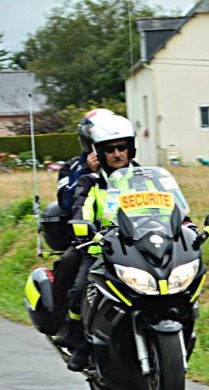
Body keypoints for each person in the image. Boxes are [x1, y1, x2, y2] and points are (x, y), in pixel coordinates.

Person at [62, 112, 141, 371]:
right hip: (100, 250)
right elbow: (78, 207)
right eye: (110, 149)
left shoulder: (145, 177)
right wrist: (83, 228)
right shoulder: (89, 179)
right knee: (78, 292)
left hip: (141, 248)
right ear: (99, 151)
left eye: (122, 147)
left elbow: (169, 204)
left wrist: (184, 224)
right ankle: (80, 344)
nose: (117, 153)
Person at [52, 108, 114, 347]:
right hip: (87, 239)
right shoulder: (72, 168)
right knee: (69, 264)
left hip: (129, 238)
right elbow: (65, 202)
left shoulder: (129, 165)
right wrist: (89, 171)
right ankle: (66, 324)